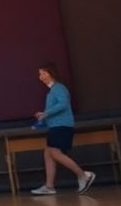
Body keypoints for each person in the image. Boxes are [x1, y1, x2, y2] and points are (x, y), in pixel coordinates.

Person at [31, 63, 96, 195]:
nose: (41, 76)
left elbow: (63, 104)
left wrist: (46, 113)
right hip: (56, 126)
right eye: (39, 74)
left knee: (54, 152)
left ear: (51, 73)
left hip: (62, 126)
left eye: (43, 73)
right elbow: (55, 109)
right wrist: (43, 118)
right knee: (48, 153)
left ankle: (83, 175)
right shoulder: (51, 92)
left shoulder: (59, 88)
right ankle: (49, 186)